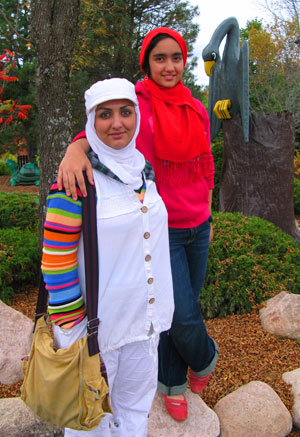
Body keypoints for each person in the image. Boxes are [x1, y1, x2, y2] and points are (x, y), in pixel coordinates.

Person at [57, 27, 219, 422]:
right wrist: (75, 148)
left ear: (185, 61)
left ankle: (172, 383)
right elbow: (106, 123)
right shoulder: (138, 101)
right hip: (161, 230)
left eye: (176, 57)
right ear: (146, 62)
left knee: (168, 316)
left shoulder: (196, 107)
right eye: (159, 58)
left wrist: (209, 216)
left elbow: (207, 167)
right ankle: (206, 357)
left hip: (195, 223)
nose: (169, 66)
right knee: (183, 317)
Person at [41, 77, 174, 437]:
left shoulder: (143, 172)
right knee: (89, 424)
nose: (117, 123)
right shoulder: (75, 180)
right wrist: (72, 327)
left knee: (134, 413)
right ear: (90, 121)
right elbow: (55, 260)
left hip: (144, 324)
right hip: (96, 331)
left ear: (137, 116)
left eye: (125, 112)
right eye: (105, 114)